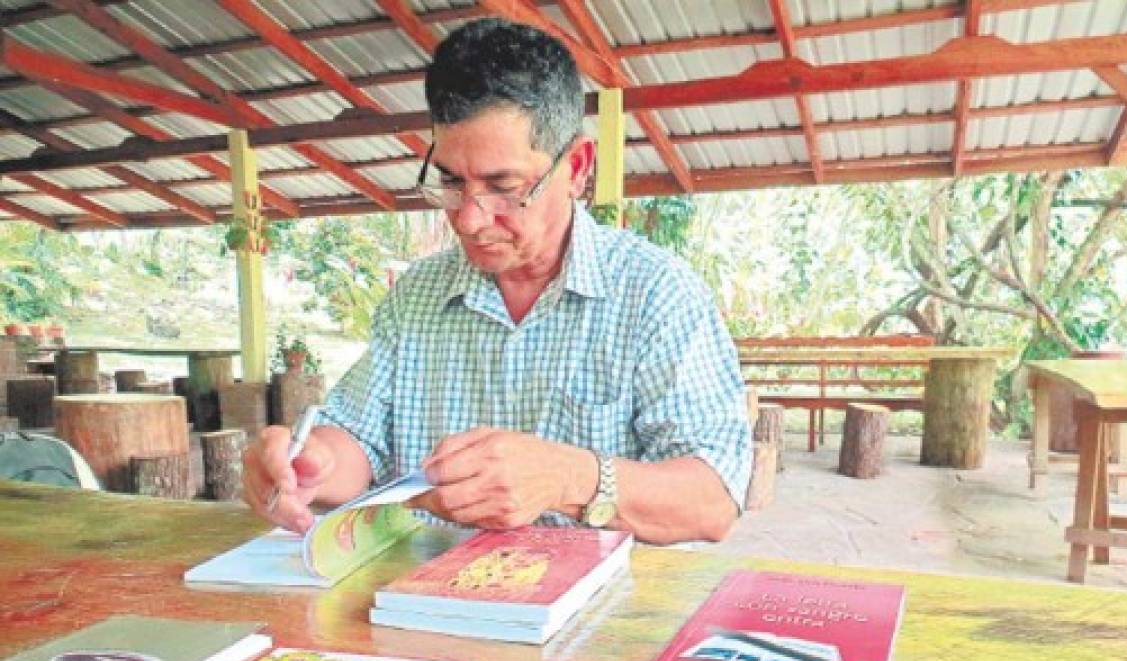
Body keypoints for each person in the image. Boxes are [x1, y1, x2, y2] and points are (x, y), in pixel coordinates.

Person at [242, 17, 751, 545]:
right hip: (428, 599)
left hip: (599, 616)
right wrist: (309, 465)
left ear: (576, 167)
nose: (469, 219)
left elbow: (713, 500)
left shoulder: (655, 295)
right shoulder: (418, 296)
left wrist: (568, 477)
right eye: (451, 182)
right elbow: (358, 439)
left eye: (503, 187)